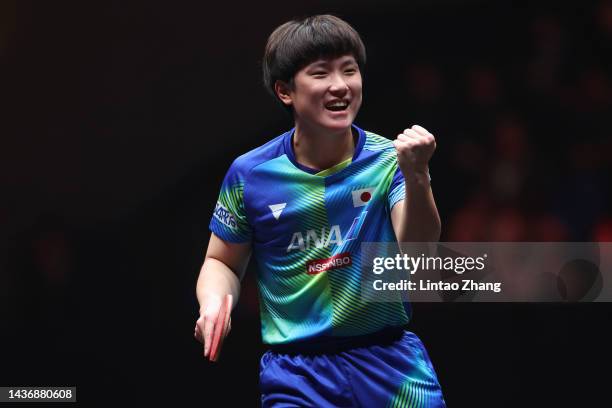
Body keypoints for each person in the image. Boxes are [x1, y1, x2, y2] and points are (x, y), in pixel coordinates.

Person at [194, 14, 446, 407]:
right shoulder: (251, 175)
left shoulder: (389, 160)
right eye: (320, 73)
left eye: (349, 70)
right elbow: (221, 262)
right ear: (285, 91)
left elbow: (417, 258)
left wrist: (417, 176)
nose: (340, 85)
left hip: (391, 365)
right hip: (297, 374)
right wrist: (213, 303)